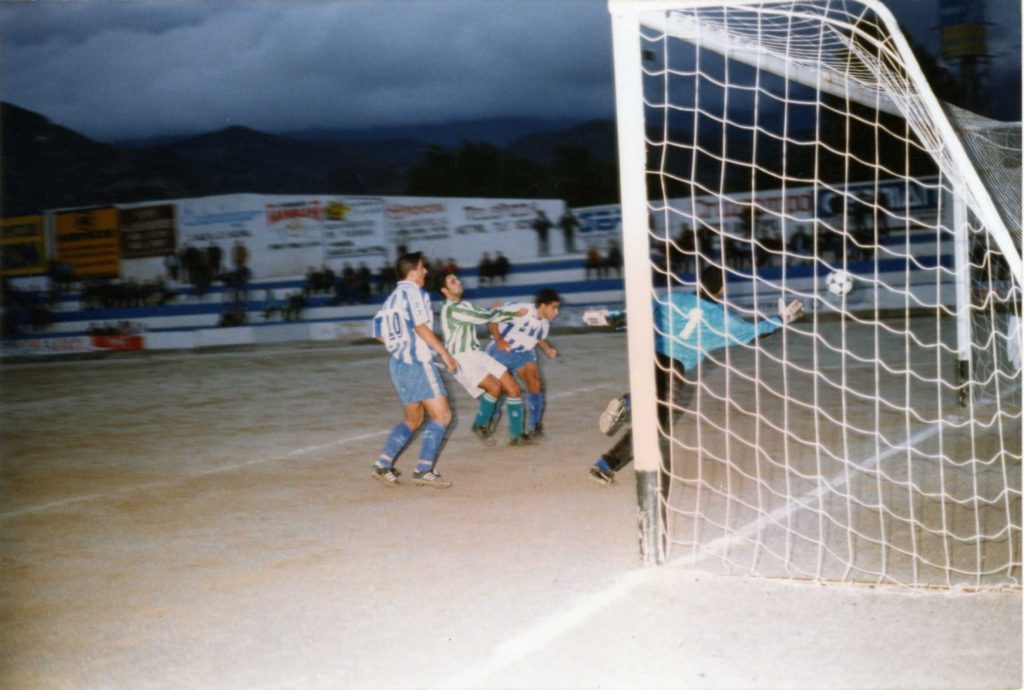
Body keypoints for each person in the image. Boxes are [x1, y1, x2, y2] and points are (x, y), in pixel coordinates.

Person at [586, 264, 804, 484]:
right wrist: (782, 319)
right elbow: (753, 334)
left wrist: (608, 317)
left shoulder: (675, 299)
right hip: (675, 369)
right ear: (721, 289)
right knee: (655, 427)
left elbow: (638, 313)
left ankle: (627, 408)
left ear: (699, 283)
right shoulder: (720, 318)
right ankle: (608, 460)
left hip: (652, 358)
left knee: (650, 411)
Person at [370, 251, 459, 489]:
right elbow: (420, 326)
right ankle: (424, 469)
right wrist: (444, 352)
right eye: (422, 268)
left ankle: (383, 463)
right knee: (442, 416)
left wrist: (398, 346)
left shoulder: (391, 299)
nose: (426, 272)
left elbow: (378, 331)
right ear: (412, 272)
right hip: (418, 363)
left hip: (398, 365)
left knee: (414, 418)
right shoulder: (414, 293)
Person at [434, 269, 533, 446]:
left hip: (477, 354)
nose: (458, 282)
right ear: (444, 290)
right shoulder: (451, 310)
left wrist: (502, 313)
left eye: (457, 279)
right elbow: (484, 316)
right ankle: (480, 425)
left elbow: (484, 314)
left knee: (513, 388)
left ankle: (516, 435)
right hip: (462, 358)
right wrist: (512, 313)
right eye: (452, 282)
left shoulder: (464, 305)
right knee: (494, 388)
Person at [485, 289, 561, 439]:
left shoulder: (544, 323)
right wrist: (499, 340)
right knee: (498, 389)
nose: (556, 312)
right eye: (554, 307)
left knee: (535, 384)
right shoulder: (522, 310)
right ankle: (490, 419)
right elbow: (494, 317)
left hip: (524, 352)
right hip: (501, 351)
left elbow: (538, 337)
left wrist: (547, 348)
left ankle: (534, 427)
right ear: (543, 305)